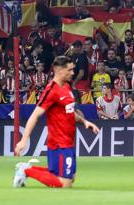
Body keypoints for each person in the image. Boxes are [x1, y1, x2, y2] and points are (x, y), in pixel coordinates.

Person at [13, 56, 100, 188]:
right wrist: (24, 140)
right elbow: (35, 115)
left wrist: (84, 121)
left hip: (68, 141)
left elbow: (70, 111)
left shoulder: (67, 86)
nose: (72, 73)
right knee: (65, 182)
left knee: (70, 177)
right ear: (59, 71)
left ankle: (27, 169)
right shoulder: (51, 90)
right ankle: (26, 171)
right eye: (69, 70)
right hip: (59, 143)